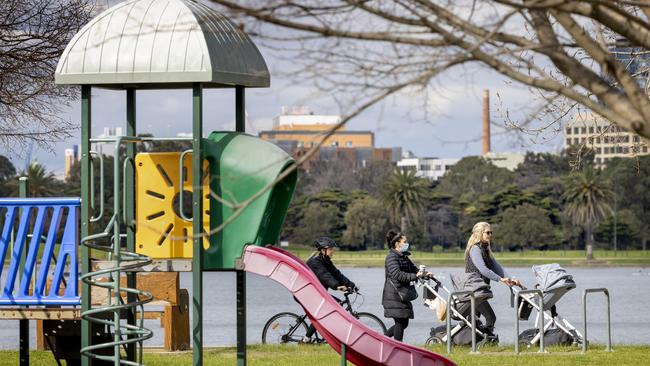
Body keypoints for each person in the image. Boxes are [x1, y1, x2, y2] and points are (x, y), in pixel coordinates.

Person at [464, 221, 521, 338]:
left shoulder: (485, 250)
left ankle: (474, 340)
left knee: (473, 320)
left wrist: (511, 280)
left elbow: (498, 268)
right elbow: (483, 269)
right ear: (480, 233)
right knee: (490, 317)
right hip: (474, 290)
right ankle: (485, 339)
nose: (490, 235)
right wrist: (500, 279)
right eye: (487, 232)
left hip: (480, 290)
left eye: (491, 232)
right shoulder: (475, 249)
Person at [301, 236, 357, 343]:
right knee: (323, 314)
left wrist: (352, 285)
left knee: (336, 304)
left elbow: (337, 274)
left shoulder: (325, 261)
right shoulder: (315, 262)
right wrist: (337, 286)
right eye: (331, 249)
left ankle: (325, 334)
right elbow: (325, 276)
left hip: (317, 294)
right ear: (323, 250)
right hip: (307, 294)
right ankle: (306, 339)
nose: (333, 251)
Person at [382, 230, 432, 341]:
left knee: (403, 323)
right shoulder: (391, 258)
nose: (407, 243)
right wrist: (415, 276)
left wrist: (424, 274)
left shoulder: (403, 257)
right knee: (400, 322)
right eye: (404, 241)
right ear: (397, 244)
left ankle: (382, 340)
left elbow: (414, 269)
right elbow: (397, 274)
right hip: (394, 295)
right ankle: (397, 347)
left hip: (401, 294)